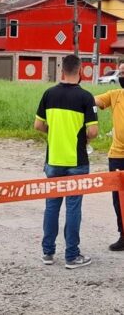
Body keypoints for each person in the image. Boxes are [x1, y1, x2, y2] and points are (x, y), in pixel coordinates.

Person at [34, 54, 98, 269]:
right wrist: (83, 137)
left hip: (53, 160)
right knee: (73, 207)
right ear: (80, 72)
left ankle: (48, 253)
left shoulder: (48, 94)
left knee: (52, 206)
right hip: (76, 161)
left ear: (62, 71)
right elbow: (93, 130)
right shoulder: (86, 97)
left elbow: (38, 126)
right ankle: (72, 255)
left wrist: (56, 133)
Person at [95, 62, 124, 251]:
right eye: (120, 72)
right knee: (118, 198)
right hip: (117, 156)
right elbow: (92, 100)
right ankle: (123, 234)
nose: (121, 75)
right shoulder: (115, 95)